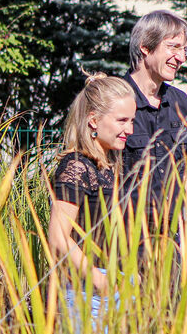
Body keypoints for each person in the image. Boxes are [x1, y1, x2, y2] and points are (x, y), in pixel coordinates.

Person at [49, 72, 136, 324]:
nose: (129, 130)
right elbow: (58, 237)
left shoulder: (109, 165)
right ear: (94, 120)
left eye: (131, 120)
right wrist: (100, 281)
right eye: (122, 120)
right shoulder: (77, 165)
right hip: (88, 293)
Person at [122, 10, 187, 222]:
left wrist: (178, 214)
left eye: (185, 50)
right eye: (173, 47)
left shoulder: (181, 103)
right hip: (124, 231)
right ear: (145, 47)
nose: (182, 58)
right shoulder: (113, 99)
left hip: (171, 231)